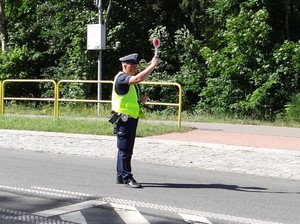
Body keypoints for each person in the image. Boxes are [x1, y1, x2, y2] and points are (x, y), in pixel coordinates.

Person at [110, 53, 159, 188]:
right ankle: (127, 177)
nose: (135, 68)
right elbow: (138, 78)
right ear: (125, 66)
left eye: (136, 66)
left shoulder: (128, 79)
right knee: (125, 149)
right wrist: (152, 66)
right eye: (133, 66)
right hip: (124, 119)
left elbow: (133, 89)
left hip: (129, 118)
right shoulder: (122, 78)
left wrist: (141, 99)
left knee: (124, 149)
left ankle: (120, 175)